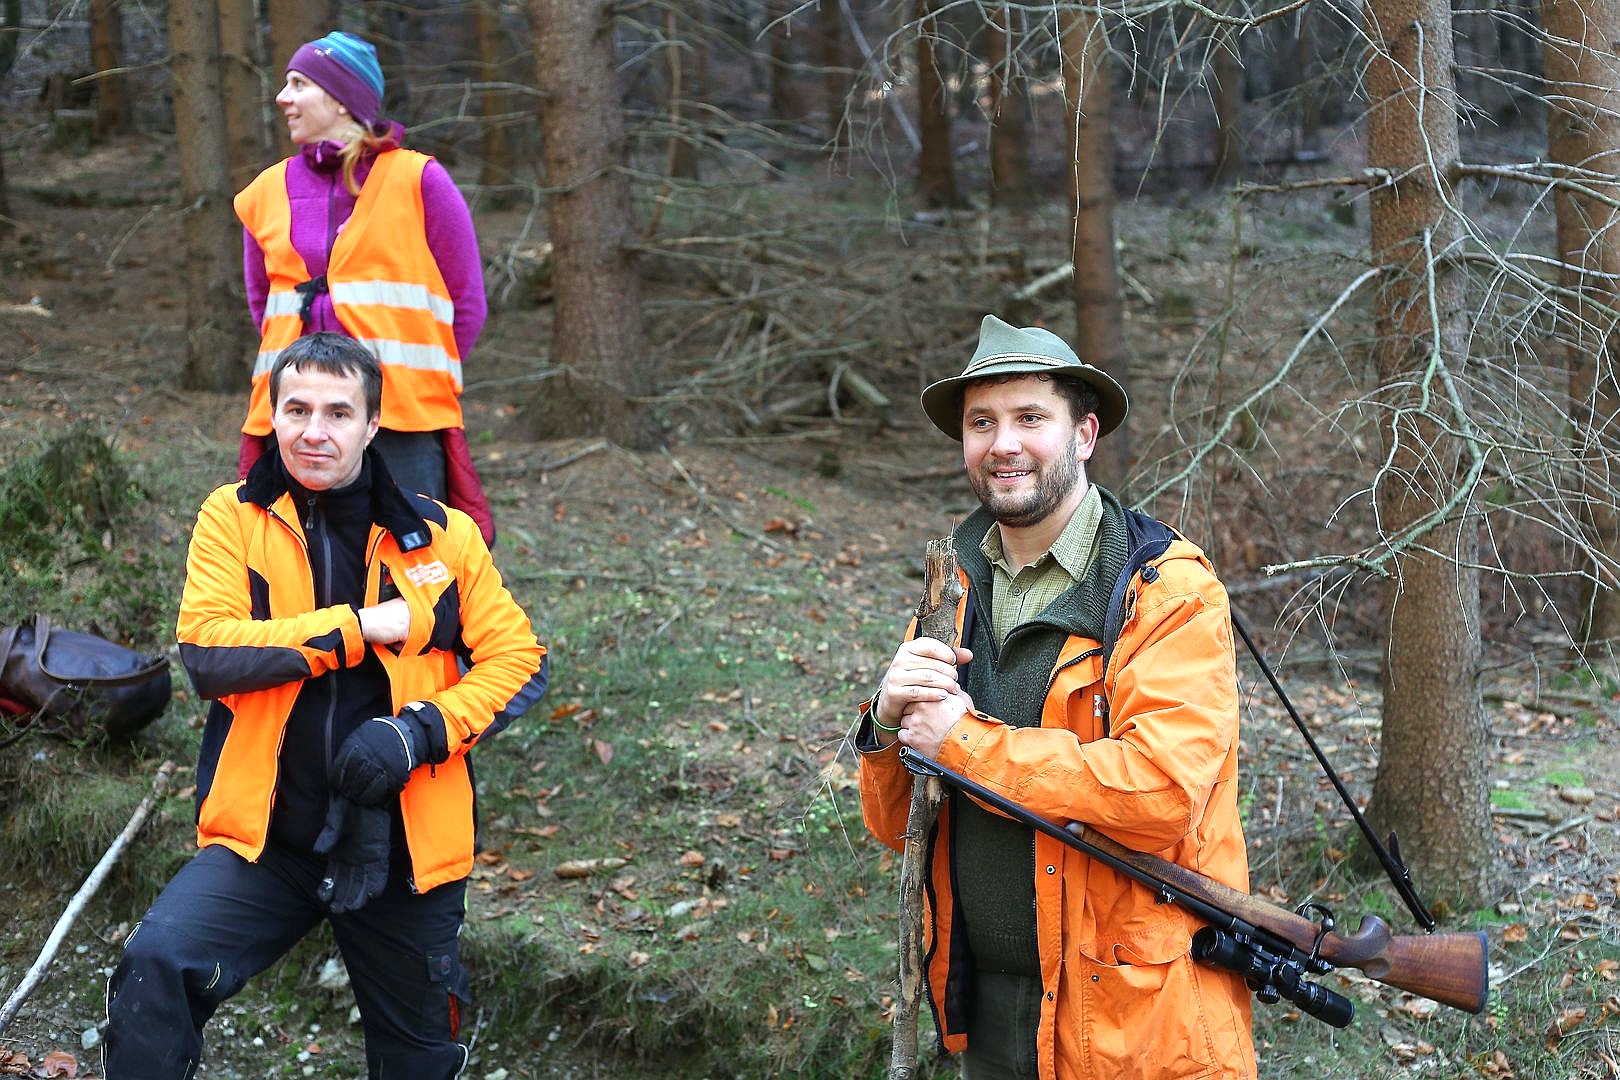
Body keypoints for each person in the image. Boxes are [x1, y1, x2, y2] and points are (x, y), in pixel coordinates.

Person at [104, 333, 545, 1079]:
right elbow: (210, 652)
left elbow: (519, 661)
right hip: (269, 840)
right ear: (271, 417)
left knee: (419, 1057)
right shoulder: (233, 518)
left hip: (405, 847)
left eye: (339, 413)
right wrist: (356, 629)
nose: (315, 431)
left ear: (372, 426)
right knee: (156, 966)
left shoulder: (444, 536)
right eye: (297, 409)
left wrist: (419, 732)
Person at [857, 315, 1256, 1079]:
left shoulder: (1163, 591)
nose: (1003, 443)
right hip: (986, 1013)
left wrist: (962, 742)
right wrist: (884, 724)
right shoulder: (953, 584)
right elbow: (897, 826)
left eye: (1031, 418)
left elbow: (1161, 792)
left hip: (1133, 1020)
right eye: (982, 423)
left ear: (1084, 435)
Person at [234, 30, 496, 543]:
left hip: (401, 421)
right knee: (291, 561)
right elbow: (263, 305)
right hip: (294, 420)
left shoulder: (419, 180)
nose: (282, 98)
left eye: (298, 84)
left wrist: (413, 377)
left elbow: (467, 302)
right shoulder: (265, 191)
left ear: (340, 98)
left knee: (414, 564)